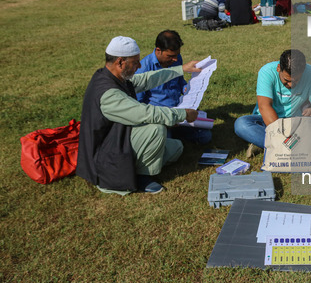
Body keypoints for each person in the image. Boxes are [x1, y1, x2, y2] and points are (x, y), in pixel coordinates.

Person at [76, 36, 202, 194]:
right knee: (156, 128)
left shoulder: (114, 76)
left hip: (119, 138)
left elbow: (148, 79)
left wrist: (181, 69)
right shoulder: (108, 94)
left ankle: (138, 165)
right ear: (121, 62)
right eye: (135, 62)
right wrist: (182, 114)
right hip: (106, 157)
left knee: (176, 148)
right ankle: (141, 178)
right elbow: (145, 113)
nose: (140, 65)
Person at [234, 49, 311, 156]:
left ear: (303, 71)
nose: (291, 85)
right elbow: (264, 106)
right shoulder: (267, 72)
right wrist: (283, 133)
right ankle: (294, 146)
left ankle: (268, 145)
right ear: (279, 68)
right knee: (241, 124)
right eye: (287, 80)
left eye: (296, 80)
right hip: (268, 120)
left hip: (296, 121)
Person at [136, 31, 212, 145]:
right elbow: (139, 105)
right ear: (158, 50)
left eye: (177, 55)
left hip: (180, 113)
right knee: (163, 142)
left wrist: (188, 90)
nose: (175, 59)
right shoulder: (143, 69)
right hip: (161, 118)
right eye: (170, 56)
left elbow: (180, 82)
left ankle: (176, 136)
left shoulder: (176, 59)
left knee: (205, 136)